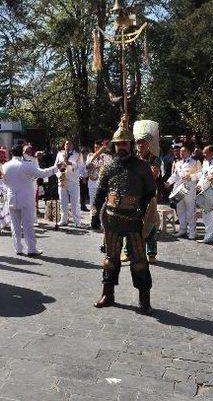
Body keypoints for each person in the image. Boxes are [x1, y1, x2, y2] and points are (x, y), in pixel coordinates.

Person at [91, 118, 156, 314]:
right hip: (112, 219)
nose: (121, 147)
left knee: (139, 262)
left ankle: (144, 301)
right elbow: (100, 192)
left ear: (131, 145)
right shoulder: (109, 167)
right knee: (111, 259)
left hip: (134, 220)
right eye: (118, 144)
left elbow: (150, 192)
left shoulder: (142, 166)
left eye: (124, 144)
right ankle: (107, 295)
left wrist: (142, 210)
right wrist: (95, 212)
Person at [3, 144, 58, 256]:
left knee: (15, 225)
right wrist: (56, 168)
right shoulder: (27, 165)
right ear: (22, 153)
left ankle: (18, 248)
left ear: (11, 153)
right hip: (26, 198)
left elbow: (4, 181)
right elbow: (43, 173)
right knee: (28, 224)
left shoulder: (5, 166)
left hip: (12, 197)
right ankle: (31, 249)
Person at [135, 133, 162, 262]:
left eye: (144, 142)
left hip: (149, 195)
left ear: (148, 144)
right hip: (134, 195)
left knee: (150, 223)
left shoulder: (155, 159)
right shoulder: (132, 158)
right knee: (132, 223)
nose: (141, 145)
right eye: (139, 142)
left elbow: (154, 174)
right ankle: (130, 252)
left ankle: (151, 254)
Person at [166, 145, 200, 239]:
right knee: (180, 211)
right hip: (179, 190)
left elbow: (201, 174)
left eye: (183, 151)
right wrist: (168, 182)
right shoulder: (178, 163)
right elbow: (175, 175)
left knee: (190, 211)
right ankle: (182, 230)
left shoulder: (195, 162)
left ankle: (192, 232)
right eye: (180, 151)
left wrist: (191, 177)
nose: (181, 153)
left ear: (189, 152)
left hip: (189, 189)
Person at [55, 140, 84, 227]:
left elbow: (81, 166)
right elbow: (55, 166)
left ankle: (77, 221)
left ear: (73, 145)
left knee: (75, 202)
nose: (68, 145)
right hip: (62, 180)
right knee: (63, 201)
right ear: (64, 145)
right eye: (66, 144)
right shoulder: (60, 154)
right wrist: (59, 175)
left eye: (70, 144)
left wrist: (70, 163)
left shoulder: (78, 154)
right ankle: (63, 219)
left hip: (73, 181)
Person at [86, 140, 112, 214]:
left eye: (98, 147)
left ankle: (101, 221)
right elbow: (87, 165)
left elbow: (110, 168)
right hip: (92, 182)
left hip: (102, 184)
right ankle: (93, 219)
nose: (96, 149)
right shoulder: (90, 155)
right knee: (92, 203)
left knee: (102, 203)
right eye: (95, 147)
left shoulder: (107, 157)